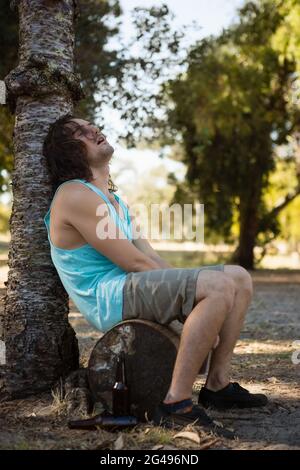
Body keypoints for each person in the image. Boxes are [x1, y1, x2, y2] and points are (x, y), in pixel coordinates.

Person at [43, 115, 268, 430]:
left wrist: (189, 288)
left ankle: (217, 385)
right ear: (69, 152)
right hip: (108, 296)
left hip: (129, 284)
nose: (94, 129)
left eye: (90, 125)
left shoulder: (116, 201)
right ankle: (175, 403)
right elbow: (133, 263)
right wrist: (194, 299)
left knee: (237, 278)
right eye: (80, 132)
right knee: (217, 287)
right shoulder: (73, 194)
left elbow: (148, 256)